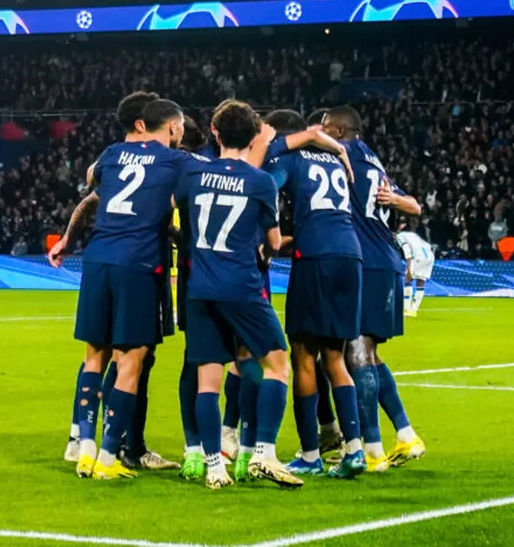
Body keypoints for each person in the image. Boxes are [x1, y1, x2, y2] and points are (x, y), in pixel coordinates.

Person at [49, 97, 206, 481]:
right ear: (172, 128)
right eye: (181, 126)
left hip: (98, 257)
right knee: (131, 359)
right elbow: (214, 171)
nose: (182, 132)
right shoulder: (176, 160)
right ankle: (107, 457)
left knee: (94, 356)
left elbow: (92, 179)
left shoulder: (111, 154)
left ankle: (83, 449)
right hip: (138, 263)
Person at [177, 101, 302, 489]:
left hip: (199, 287)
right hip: (243, 287)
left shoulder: (194, 174)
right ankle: (264, 452)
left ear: (215, 134)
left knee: (207, 383)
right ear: (253, 138)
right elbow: (274, 242)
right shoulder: (261, 182)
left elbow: (176, 218)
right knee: (278, 366)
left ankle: (214, 466)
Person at [323, 106, 427, 472]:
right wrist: (394, 200)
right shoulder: (374, 161)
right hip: (386, 259)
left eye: (323, 130)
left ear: (336, 130)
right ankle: (405, 435)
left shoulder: (342, 153)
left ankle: (371, 448)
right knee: (371, 354)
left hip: (364, 261)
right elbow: (414, 205)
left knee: (356, 354)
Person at [263, 110, 367, 478]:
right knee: (335, 358)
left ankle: (310, 454)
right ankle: (354, 449)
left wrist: (271, 237)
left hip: (316, 254)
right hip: (350, 253)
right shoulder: (338, 158)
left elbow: (265, 188)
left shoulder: (289, 156)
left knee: (304, 355)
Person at [394, 225, 435, 317]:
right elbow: (428, 245)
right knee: (420, 283)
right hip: (430, 257)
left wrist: (408, 266)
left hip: (418, 256)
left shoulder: (400, 236)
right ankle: (414, 310)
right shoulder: (414, 236)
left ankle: (406, 309)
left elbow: (406, 249)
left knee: (407, 279)